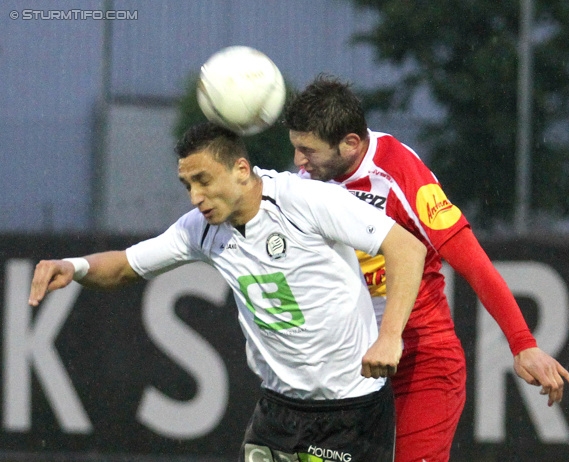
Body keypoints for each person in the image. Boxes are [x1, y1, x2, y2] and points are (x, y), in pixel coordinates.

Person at [28, 122, 427, 461]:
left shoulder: (304, 200)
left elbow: (407, 247)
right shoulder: (199, 229)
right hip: (278, 412)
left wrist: (390, 336)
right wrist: (75, 267)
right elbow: (125, 267)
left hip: (349, 412)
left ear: (240, 169)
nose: (195, 197)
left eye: (203, 180)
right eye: (187, 184)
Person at [283, 75, 569, 462]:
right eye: (295, 148)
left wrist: (523, 344)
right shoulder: (306, 181)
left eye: (308, 150)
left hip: (421, 360)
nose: (298, 162)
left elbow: (471, 261)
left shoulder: (398, 175)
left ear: (351, 143)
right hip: (345, 364)